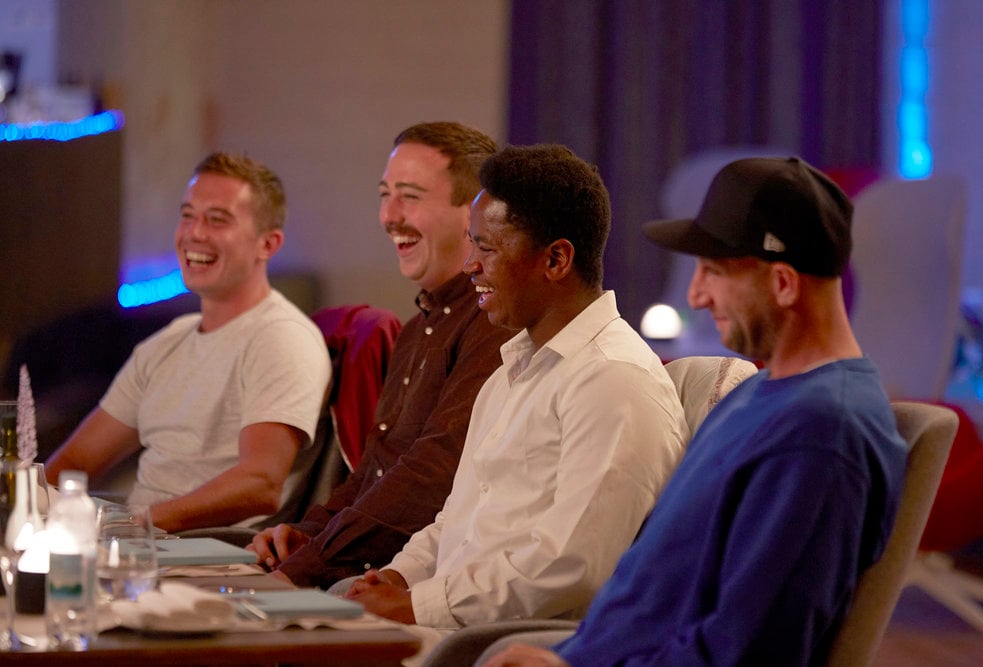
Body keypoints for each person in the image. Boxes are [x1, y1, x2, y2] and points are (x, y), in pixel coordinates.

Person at [484, 156, 910, 667]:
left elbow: (748, 652)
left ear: (783, 284)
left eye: (714, 271)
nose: (696, 294)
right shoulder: (765, 395)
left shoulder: (821, 432)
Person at [344, 144, 687, 637]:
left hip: (505, 644)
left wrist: (415, 605)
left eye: (487, 248)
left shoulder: (613, 380)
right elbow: (457, 522)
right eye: (472, 245)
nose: (470, 267)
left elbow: (571, 569)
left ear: (556, 259)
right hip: (452, 624)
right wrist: (399, 575)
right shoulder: (514, 368)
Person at [247, 121, 515, 587]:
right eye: (384, 194)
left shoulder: (493, 325)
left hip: (409, 583)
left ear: (472, 213)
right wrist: (303, 533)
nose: (388, 215)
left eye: (409, 196)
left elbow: (431, 480)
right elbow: (375, 471)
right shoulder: (414, 330)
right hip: (352, 568)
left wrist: (306, 566)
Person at [45, 152, 331, 533]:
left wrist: (138, 523)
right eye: (187, 215)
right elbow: (76, 460)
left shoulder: (281, 339)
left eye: (217, 220)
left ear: (268, 244)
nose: (194, 233)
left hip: (208, 559)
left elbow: (260, 485)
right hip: (138, 544)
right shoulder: (169, 341)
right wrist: (31, 509)